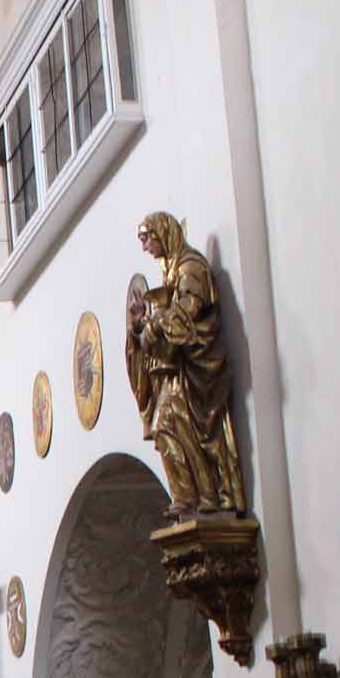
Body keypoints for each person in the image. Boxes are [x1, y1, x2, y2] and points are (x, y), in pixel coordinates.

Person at [125, 212, 243, 517]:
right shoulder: (172, 272)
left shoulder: (191, 267)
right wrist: (141, 326)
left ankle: (205, 494)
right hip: (176, 371)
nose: (146, 247)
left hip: (193, 372)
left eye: (147, 238)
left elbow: (189, 310)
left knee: (172, 424)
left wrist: (155, 321)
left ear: (164, 232)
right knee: (166, 427)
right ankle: (189, 495)